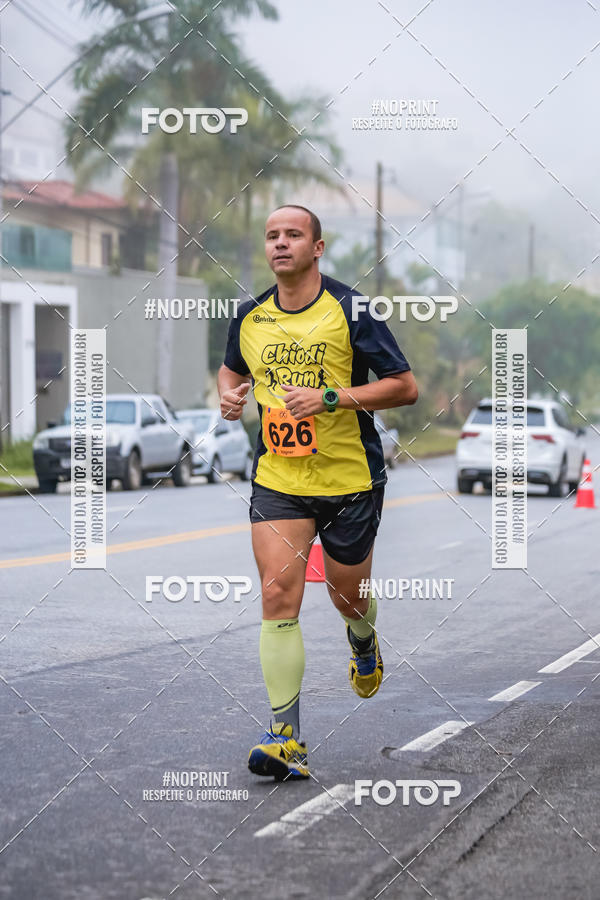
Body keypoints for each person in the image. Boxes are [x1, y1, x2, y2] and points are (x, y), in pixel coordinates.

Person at [218, 205, 418, 781]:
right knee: (278, 594)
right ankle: (286, 738)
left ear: (317, 247)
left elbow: (404, 387)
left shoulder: (351, 310)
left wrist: (331, 399)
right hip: (279, 480)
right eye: (272, 235)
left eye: (293, 234)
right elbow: (232, 371)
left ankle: (362, 637)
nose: (280, 243)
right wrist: (228, 396)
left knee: (346, 596)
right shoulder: (249, 316)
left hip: (349, 480)